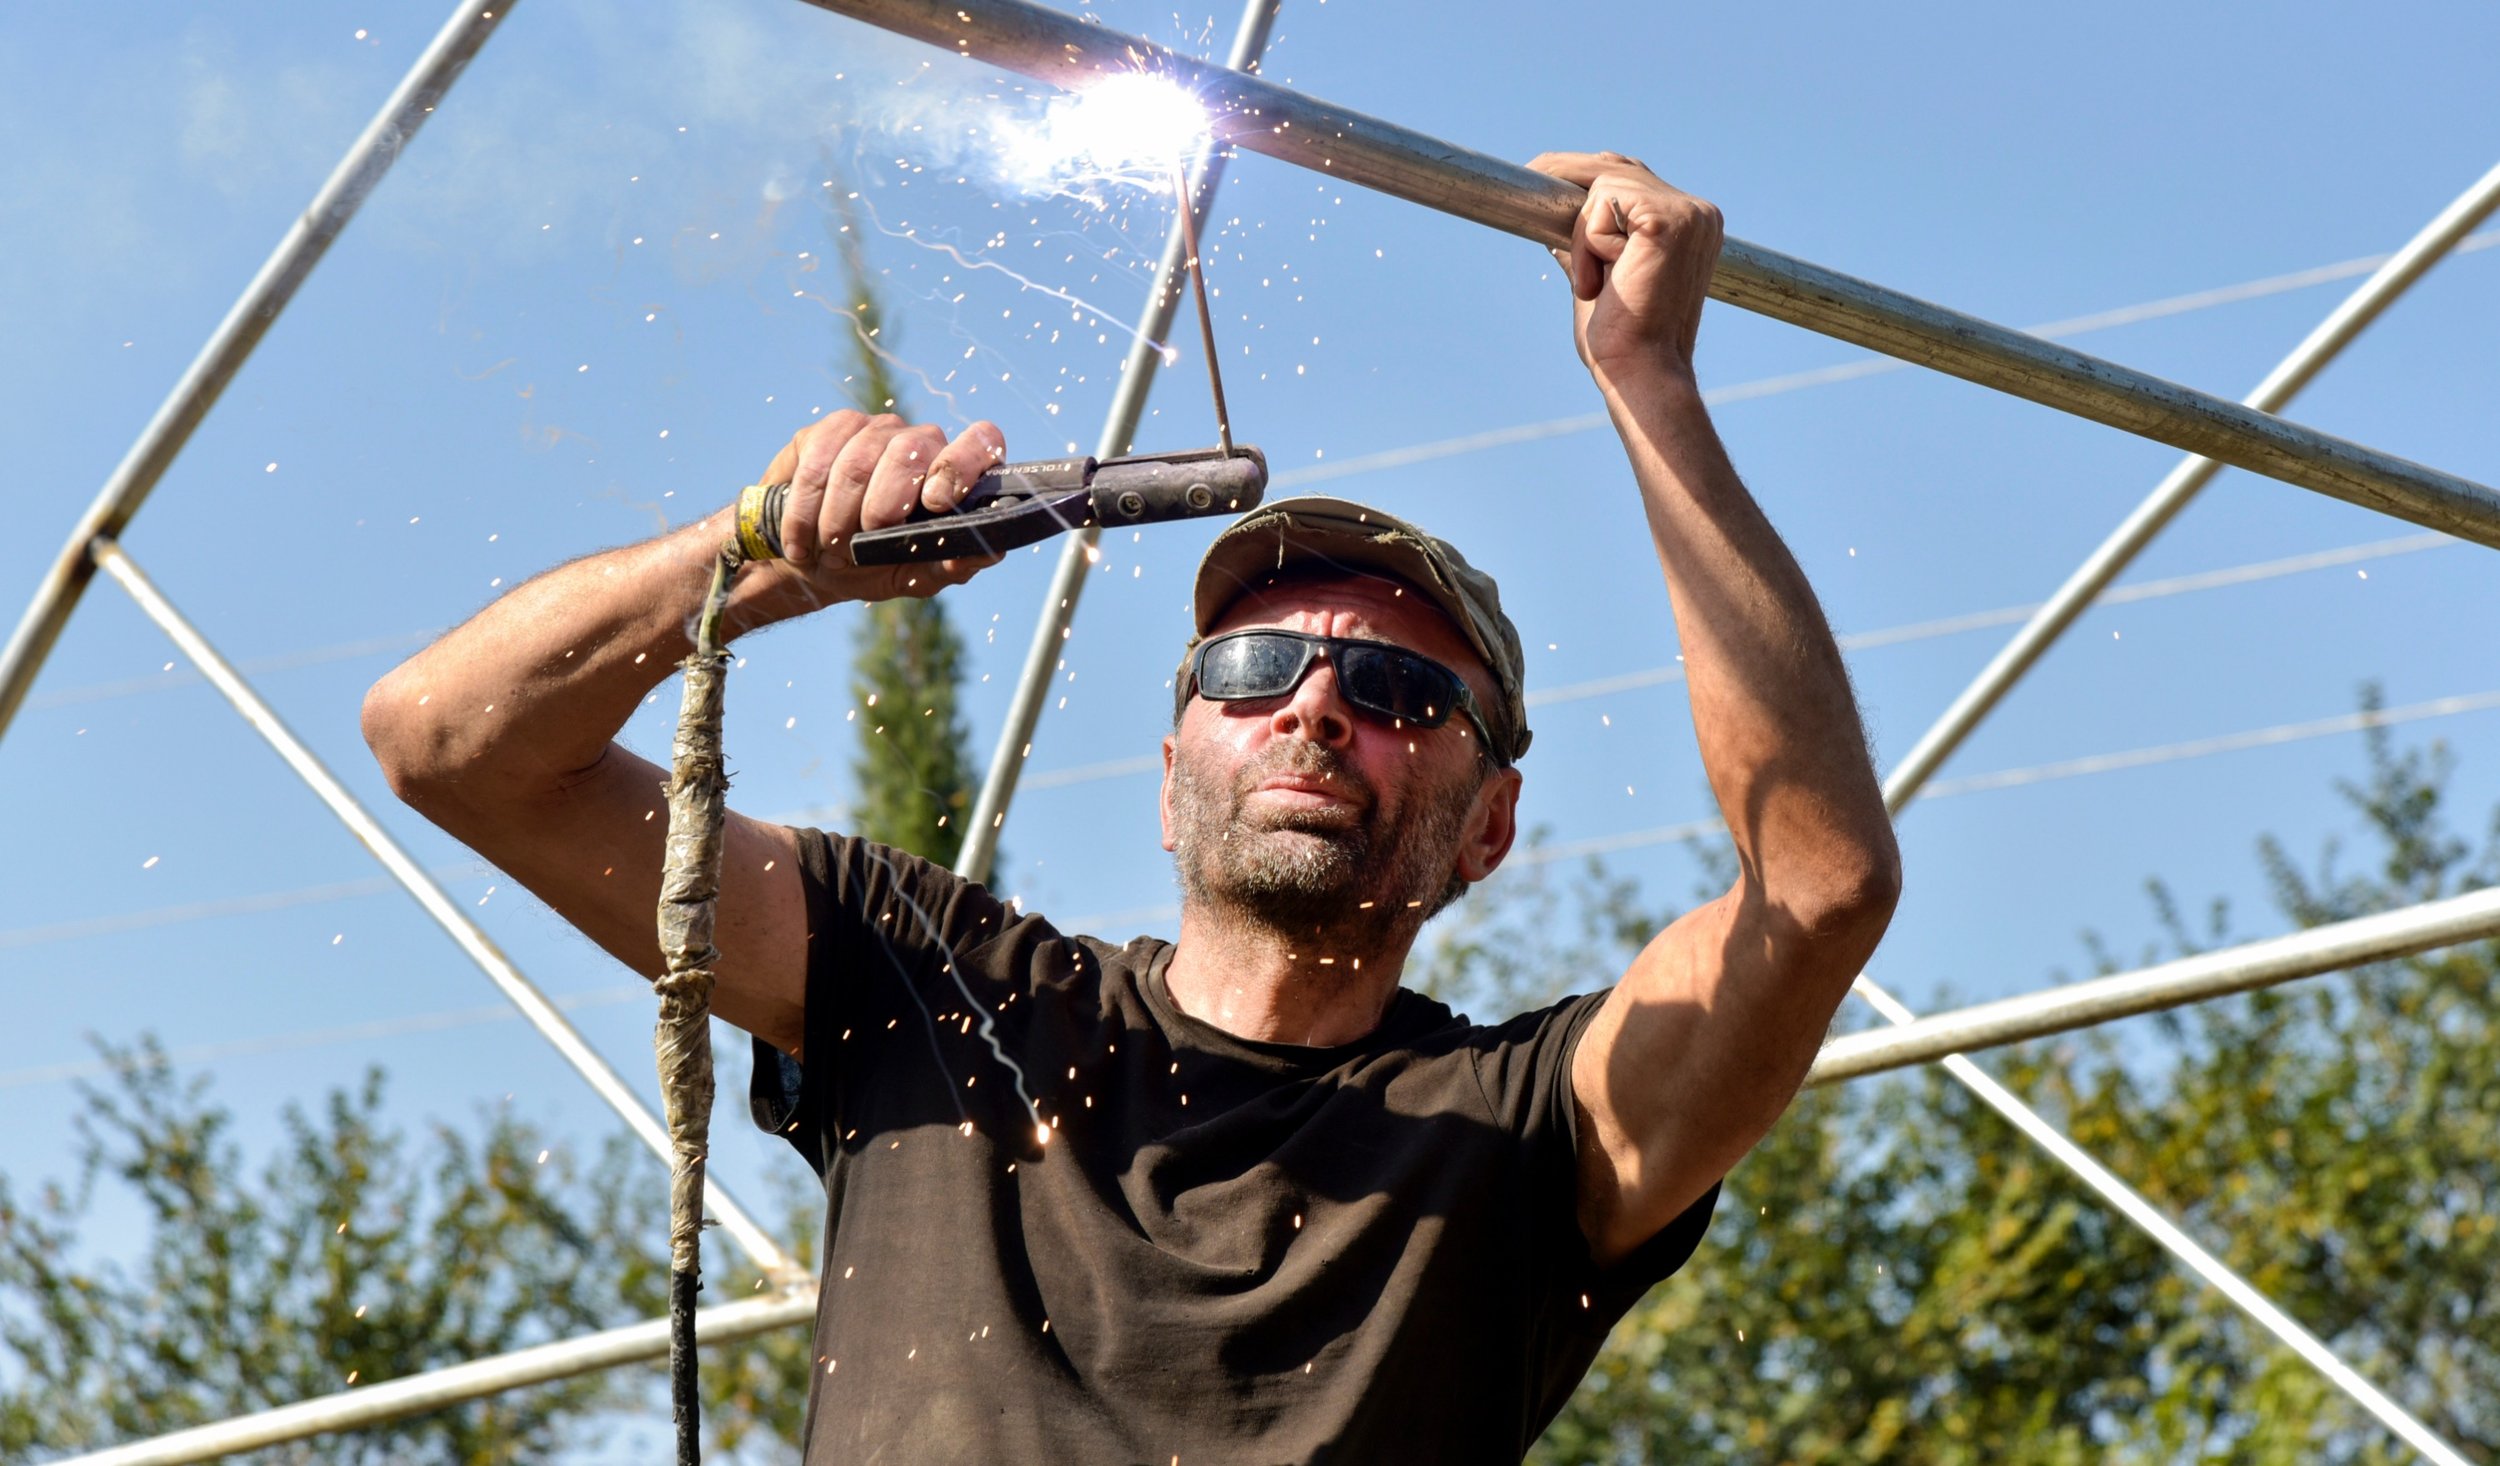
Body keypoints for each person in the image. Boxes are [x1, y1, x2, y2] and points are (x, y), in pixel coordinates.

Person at [362, 152, 1900, 1463]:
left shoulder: (1523, 1129)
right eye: (1256, 664)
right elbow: (448, 742)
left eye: (1403, 696)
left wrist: (1652, 381)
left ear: (1488, 827)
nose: (1316, 706)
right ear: (1171, 776)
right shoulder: (936, 992)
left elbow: (1819, 882)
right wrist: (764, 562)